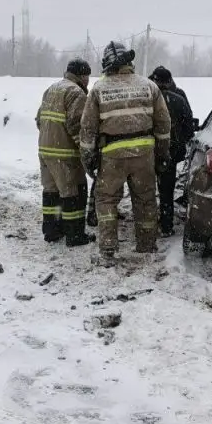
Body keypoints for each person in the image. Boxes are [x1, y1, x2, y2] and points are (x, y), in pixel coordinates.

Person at [80, 41, 172, 263]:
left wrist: (88, 160)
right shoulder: (149, 86)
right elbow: (163, 125)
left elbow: (88, 129)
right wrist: (161, 155)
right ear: (129, 62)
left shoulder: (99, 90)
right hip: (144, 154)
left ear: (107, 64)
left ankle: (109, 250)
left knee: (107, 200)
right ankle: (147, 245)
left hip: (112, 156)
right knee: (146, 200)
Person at [35, 58, 95, 247]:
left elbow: (39, 120)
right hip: (65, 153)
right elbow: (77, 126)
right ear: (82, 76)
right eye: (87, 76)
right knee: (74, 192)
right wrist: (86, 151)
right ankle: (74, 235)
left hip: (45, 150)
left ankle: (52, 231)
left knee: (51, 192)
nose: (88, 81)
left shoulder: (52, 89)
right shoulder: (76, 93)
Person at [147, 66, 195, 237]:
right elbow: (189, 127)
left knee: (145, 189)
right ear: (169, 81)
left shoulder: (146, 97)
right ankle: (166, 225)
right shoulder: (178, 98)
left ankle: (146, 223)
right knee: (167, 190)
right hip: (170, 152)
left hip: (145, 149)